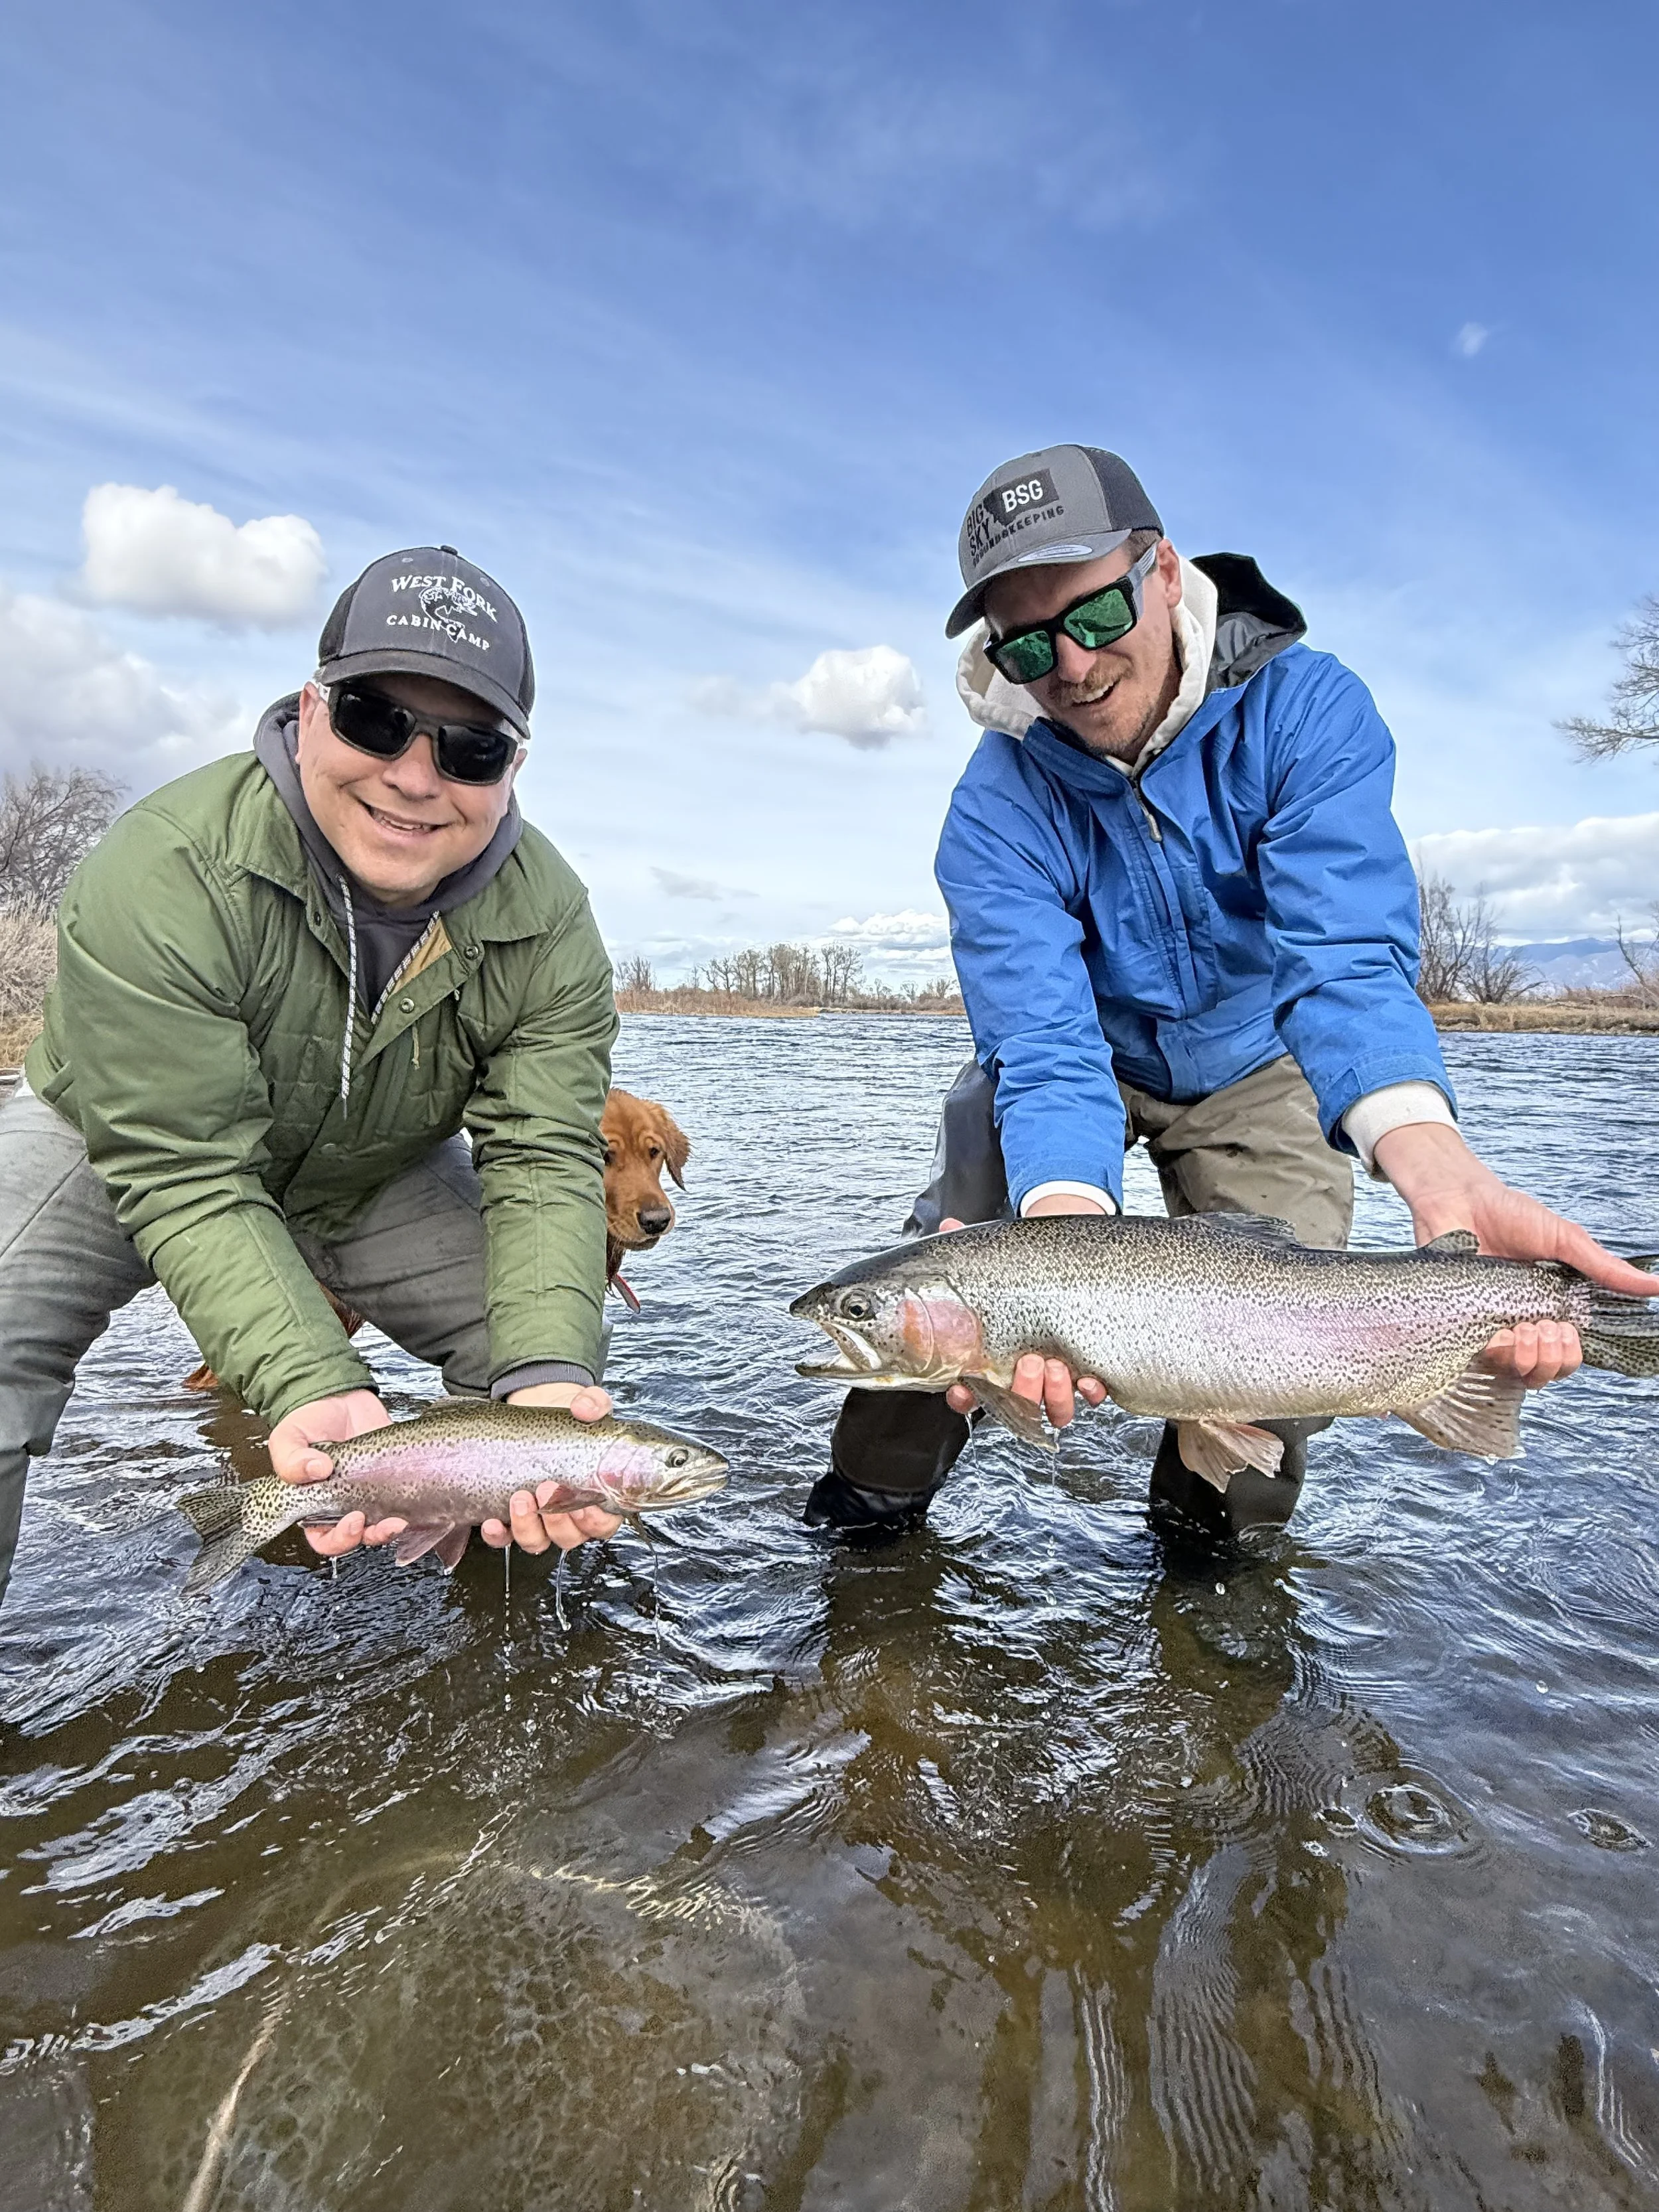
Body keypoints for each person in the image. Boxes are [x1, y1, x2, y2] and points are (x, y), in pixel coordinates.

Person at [807, 445, 1656, 1538]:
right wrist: (1066, 1235)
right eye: (1024, 641)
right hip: (1079, 1064)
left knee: (1281, 1353)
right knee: (950, 1261)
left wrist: (1441, 1177)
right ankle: (870, 1511)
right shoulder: (993, 807)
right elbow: (1043, 1040)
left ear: (1161, 570)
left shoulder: (1308, 712)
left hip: (1262, 1057)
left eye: (1094, 614)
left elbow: (1345, 963)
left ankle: (1212, 1566)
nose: (1067, 664)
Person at [0, 546, 622, 1607]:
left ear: (512, 768)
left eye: (470, 749)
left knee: (546, 1383)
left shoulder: (552, 919)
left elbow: (542, 1155)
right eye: (377, 719)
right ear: (309, 707)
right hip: (118, 1143)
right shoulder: (166, 865)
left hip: (373, 1164)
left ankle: (498, 1669)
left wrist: (545, 1375)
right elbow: (188, 1169)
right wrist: (314, 1382)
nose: (417, 776)